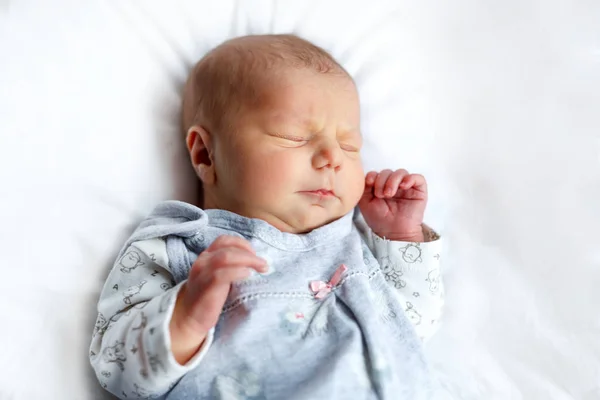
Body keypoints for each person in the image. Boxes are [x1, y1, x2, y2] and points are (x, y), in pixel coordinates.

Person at [90, 34, 445, 400]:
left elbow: (414, 326)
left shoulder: (357, 241)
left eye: (349, 145)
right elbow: (117, 372)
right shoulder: (179, 247)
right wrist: (186, 316)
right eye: (293, 136)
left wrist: (401, 235)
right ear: (206, 156)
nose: (332, 157)